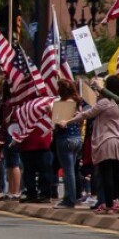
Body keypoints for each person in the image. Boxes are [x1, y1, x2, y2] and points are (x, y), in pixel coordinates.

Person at [62, 76, 119, 214]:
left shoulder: (105, 102)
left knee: (107, 175)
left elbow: (87, 114)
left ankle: (109, 204)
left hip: (105, 141)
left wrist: (67, 121)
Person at [51, 80, 83, 209]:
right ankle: (72, 196)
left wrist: (51, 111)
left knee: (68, 171)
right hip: (76, 138)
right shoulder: (76, 103)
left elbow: (58, 122)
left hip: (65, 139)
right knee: (72, 170)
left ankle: (69, 199)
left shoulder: (63, 104)